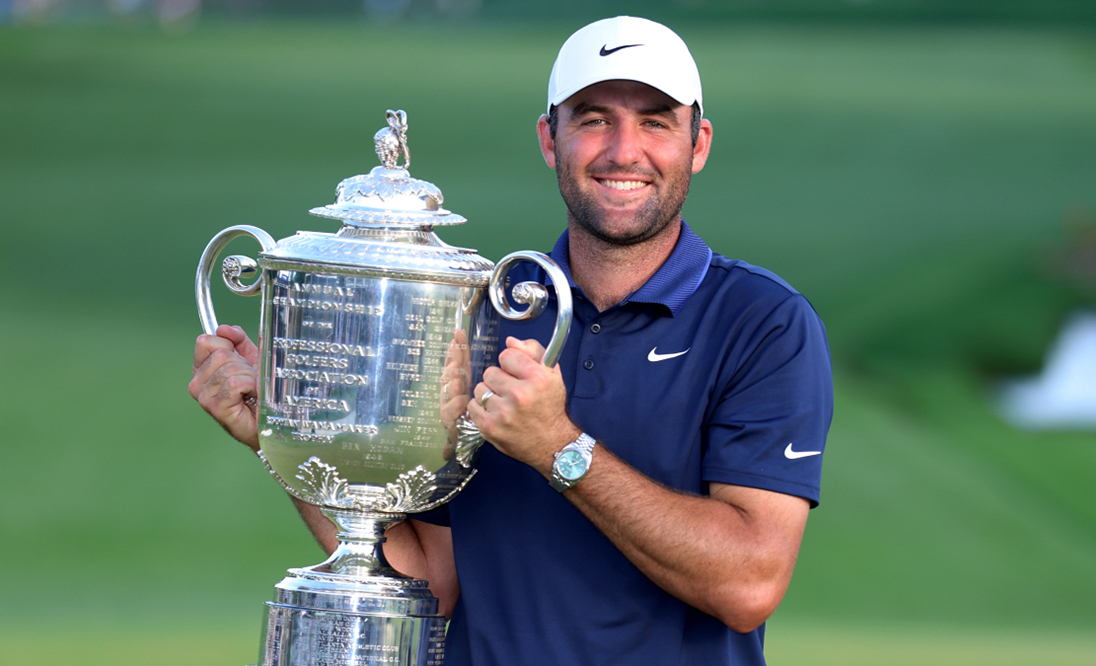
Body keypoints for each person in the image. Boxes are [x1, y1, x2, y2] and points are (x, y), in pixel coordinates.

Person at [190, 16, 833, 666]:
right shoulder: (484, 312)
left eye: (656, 122)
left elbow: (748, 583)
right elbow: (429, 582)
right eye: (594, 119)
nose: (624, 150)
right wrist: (284, 435)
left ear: (698, 144)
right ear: (550, 140)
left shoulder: (763, 322)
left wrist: (557, 446)